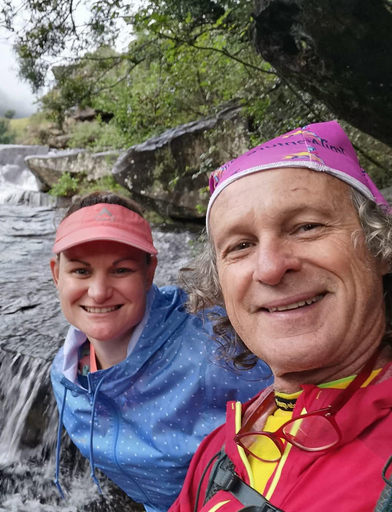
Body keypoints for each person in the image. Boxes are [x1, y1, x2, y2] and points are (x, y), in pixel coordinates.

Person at [170, 120, 392, 512]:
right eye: (241, 246)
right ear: (219, 287)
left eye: (306, 227)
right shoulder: (214, 453)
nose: (270, 268)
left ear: (380, 247)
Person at [49, 192, 271, 512]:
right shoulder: (66, 375)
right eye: (81, 271)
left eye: (121, 270)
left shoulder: (216, 342)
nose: (98, 292)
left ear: (149, 272)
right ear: (57, 274)